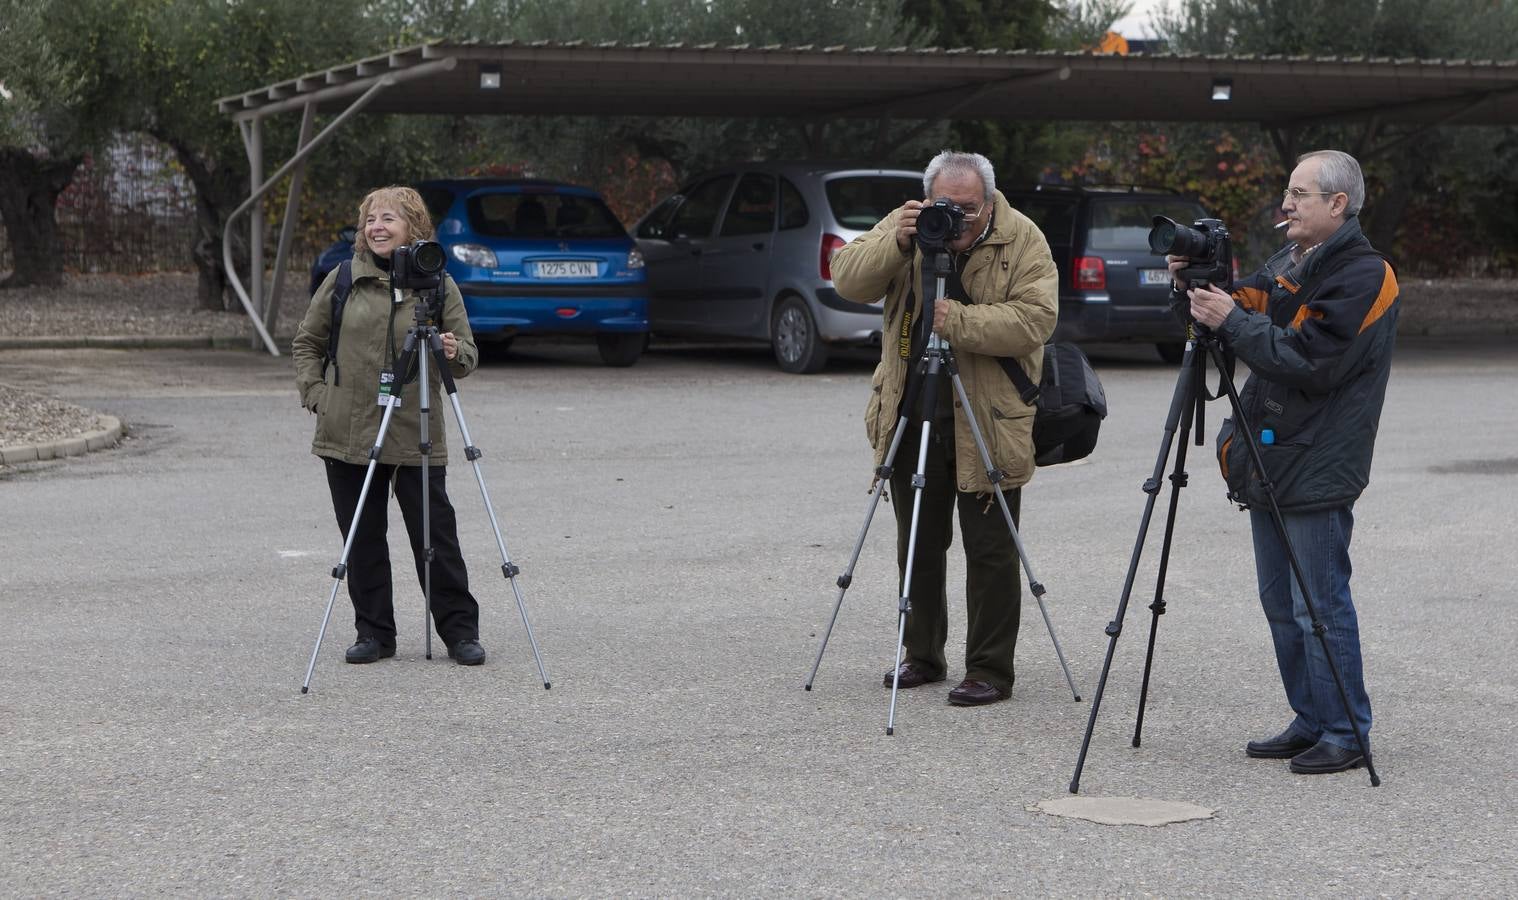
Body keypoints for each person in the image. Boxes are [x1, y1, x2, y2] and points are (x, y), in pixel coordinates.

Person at [1180, 149, 1398, 774]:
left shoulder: (1366, 274)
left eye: (1301, 194)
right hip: (1272, 456)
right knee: (1282, 604)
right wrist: (1196, 282)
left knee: (1319, 604)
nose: (1287, 204)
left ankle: (1346, 730)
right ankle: (1311, 718)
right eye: (1287, 192)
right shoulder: (1296, 259)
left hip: (1318, 461)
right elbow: (1244, 303)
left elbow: (1314, 360)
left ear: (1338, 204)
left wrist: (1235, 321)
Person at [830, 150, 1058, 706]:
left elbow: (1036, 320)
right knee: (918, 545)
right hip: (914, 410)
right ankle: (922, 655)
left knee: (991, 549)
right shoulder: (908, 223)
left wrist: (958, 321)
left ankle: (989, 669)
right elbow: (846, 279)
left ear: (990, 201)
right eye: (945, 206)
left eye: (970, 209)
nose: (957, 218)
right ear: (928, 198)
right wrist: (898, 242)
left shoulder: (1022, 237)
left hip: (990, 418)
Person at [292, 186, 487, 666]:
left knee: (435, 536)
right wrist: (318, 397)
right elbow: (307, 343)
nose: (376, 227)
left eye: (388, 219)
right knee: (362, 536)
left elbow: (467, 357)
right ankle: (375, 634)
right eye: (370, 220)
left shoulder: (438, 284)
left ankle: (459, 632)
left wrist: (449, 350)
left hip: (414, 429)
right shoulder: (343, 279)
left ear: (413, 227)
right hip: (347, 430)